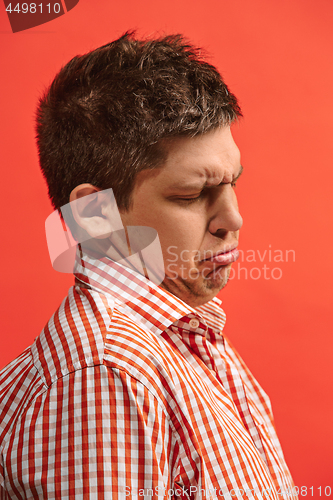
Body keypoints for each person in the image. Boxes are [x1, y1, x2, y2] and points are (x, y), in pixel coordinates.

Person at [0, 32, 298, 499]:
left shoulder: (186, 335)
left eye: (231, 183)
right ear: (93, 217)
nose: (233, 219)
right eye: (191, 194)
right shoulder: (106, 377)